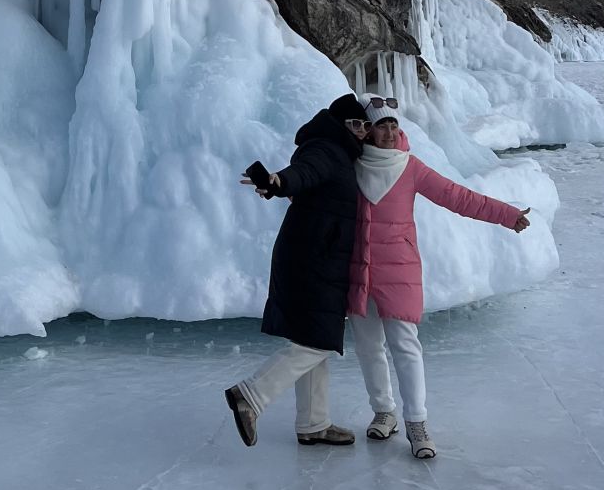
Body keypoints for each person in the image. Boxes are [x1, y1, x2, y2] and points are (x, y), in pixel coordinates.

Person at [350, 97, 530, 459]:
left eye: (394, 126)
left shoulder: (411, 167)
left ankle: (417, 422)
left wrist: (506, 214)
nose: (389, 132)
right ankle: (384, 412)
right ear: (367, 131)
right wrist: (275, 183)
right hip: (357, 269)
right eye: (381, 125)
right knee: (368, 347)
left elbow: (459, 198)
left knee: (404, 345)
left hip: (399, 269)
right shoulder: (351, 166)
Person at [224, 93, 368, 448]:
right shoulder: (328, 149)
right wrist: (277, 183)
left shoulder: (340, 154)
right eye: (354, 124)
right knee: (319, 340)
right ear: (338, 125)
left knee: (311, 338)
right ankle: (251, 396)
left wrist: (280, 186)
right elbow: (304, 173)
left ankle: (313, 423)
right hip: (312, 260)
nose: (361, 132)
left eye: (364, 125)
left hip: (315, 256)